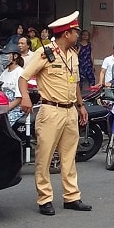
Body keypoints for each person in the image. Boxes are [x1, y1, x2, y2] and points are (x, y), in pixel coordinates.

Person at [18, 11, 92, 216]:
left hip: (70, 111)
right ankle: (45, 198)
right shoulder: (44, 53)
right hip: (50, 110)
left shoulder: (73, 54)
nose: (78, 34)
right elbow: (23, 78)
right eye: (75, 32)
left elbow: (75, 82)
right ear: (66, 34)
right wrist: (24, 97)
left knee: (69, 156)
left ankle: (71, 197)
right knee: (45, 158)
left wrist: (81, 105)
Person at [0, 43, 24, 126]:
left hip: (14, 110)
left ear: (15, 56)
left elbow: (19, 98)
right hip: (2, 108)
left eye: (6, 54)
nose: (3, 57)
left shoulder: (20, 72)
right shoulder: (5, 72)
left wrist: (6, 109)